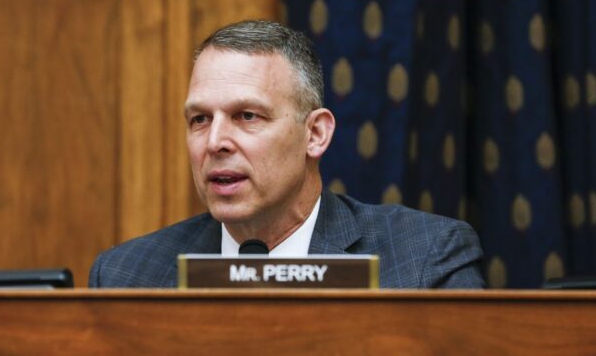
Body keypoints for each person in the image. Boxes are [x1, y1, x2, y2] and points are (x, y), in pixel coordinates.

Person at [89, 20, 484, 288]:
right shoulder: (127, 275)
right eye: (199, 120)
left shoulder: (424, 260)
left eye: (247, 116)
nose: (215, 142)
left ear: (315, 134)